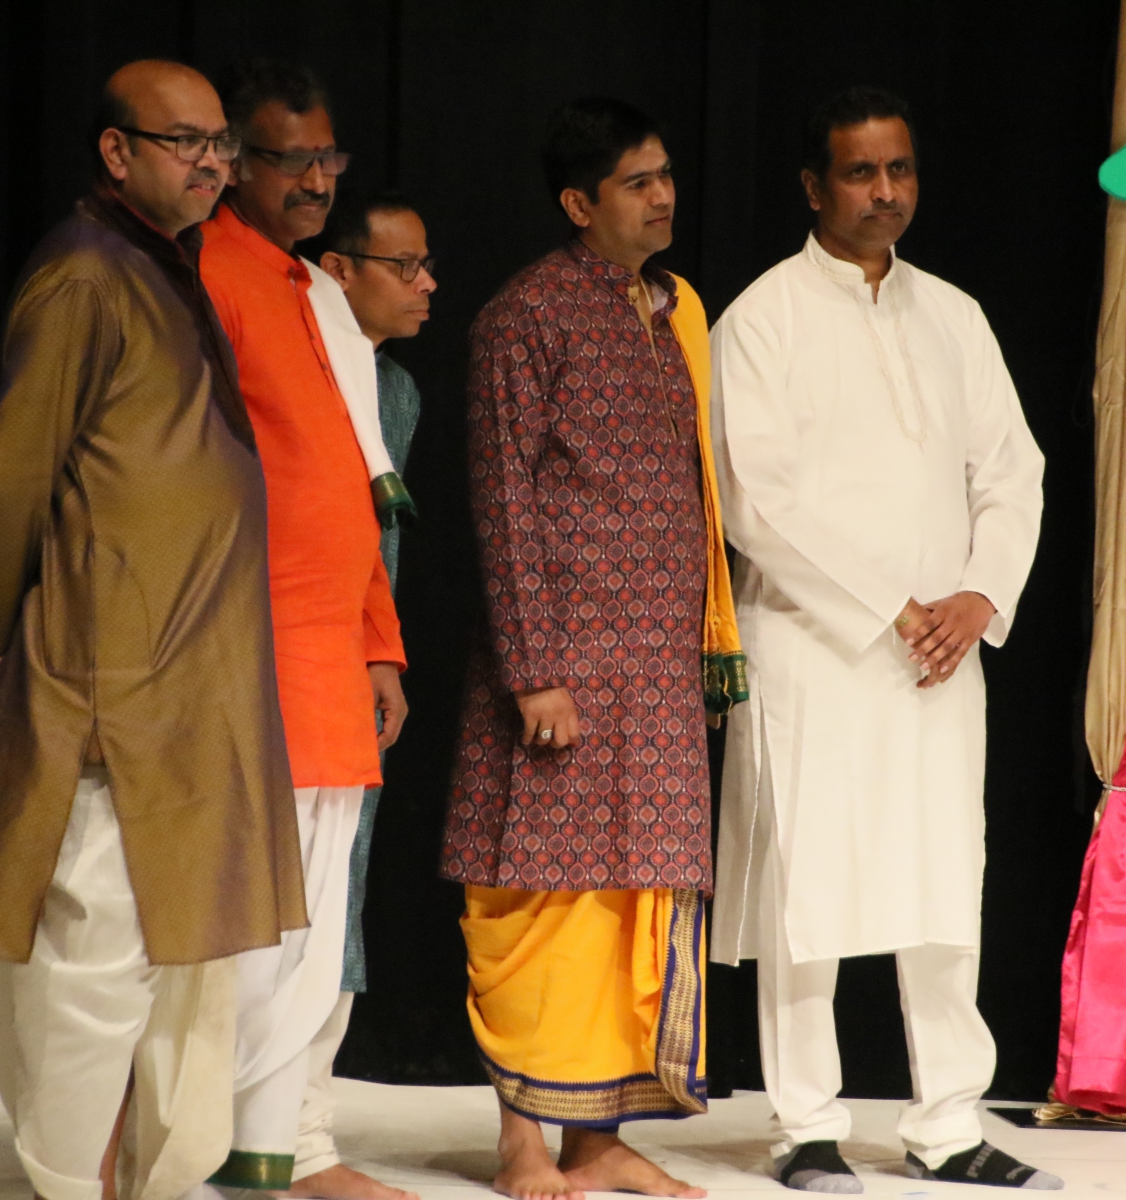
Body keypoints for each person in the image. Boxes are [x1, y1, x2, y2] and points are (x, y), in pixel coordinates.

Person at [0, 60, 306, 1200]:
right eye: (185, 141)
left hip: (184, 677)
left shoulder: (159, 264)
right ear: (117, 151)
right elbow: (15, 473)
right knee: (94, 959)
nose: (212, 163)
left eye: (221, 144)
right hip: (109, 677)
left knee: (171, 953)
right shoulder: (85, 274)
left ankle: (129, 1183)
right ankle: (77, 1184)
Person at [709, 87, 1060, 1192]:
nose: (885, 192)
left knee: (944, 885)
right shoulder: (761, 319)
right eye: (861, 173)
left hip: (941, 657)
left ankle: (948, 1124)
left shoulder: (953, 315)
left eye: (899, 169)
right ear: (814, 187)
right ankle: (804, 1127)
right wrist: (888, 606)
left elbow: (1014, 472)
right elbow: (752, 501)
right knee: (807, 891)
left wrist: (979, 597)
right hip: (812, 650)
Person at [440, 98, 744, 1200]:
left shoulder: (672, 311)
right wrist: (536, 672)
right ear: (579, 202)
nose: (663, 196)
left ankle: (597, 1139)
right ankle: (523, 1143)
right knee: (538, 900)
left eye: (665, 175)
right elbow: (503, 502)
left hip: (654, 677)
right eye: (636, 182)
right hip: (560, 670)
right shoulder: (524, 317)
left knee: (628, 902)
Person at [197, 60, 413, 1200]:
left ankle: (269, 1155)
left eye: (331, 158)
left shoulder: (319, 295)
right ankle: (193, 1146)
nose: (319, 181)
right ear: (236, 163)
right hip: (245, 654)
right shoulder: (206, 275)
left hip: (331, 661)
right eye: (295, 160)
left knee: (312, 932)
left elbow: (359, 485)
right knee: (238, 930)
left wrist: (381, 644)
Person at [315, 189, 436, 1004]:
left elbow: (381, 547)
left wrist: (382, 655)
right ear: (339, 270)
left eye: (426, 265)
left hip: (358, 656)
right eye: (405, 265)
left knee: (346, 858)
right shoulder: (298, 371)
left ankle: (316, 1077)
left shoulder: (397, 391)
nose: (427, 283)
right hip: (285, 647)